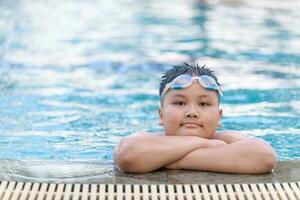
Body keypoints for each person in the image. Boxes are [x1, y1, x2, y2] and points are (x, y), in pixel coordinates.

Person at [114, 63, 277, 174]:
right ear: (161, 115)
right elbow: (128, 156)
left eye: (204, 104)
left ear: (219, 117)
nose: (192, 112)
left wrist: (173, 162)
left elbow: (265, 157)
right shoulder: (152, 138)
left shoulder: (224, 138)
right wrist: (204, 144)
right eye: (179, 102)